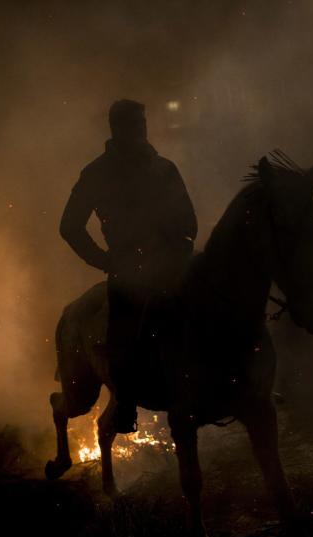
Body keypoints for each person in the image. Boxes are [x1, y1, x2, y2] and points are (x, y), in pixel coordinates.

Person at [60, 99, 197, 431]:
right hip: (129, 273)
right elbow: (70, 226)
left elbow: (189, 222)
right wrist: (105, 261)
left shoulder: (164, 168)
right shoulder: (96, 174)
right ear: (117, 129)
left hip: (172, 265)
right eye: (134, 124)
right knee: (123, 338)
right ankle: (125, 404)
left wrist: (178, 247)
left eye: (142, 123)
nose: (141, 130)